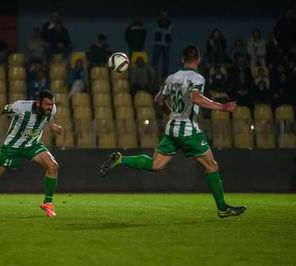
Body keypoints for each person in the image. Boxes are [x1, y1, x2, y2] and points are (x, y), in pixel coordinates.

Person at [100, 45, 246, 219]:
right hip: (188, 129)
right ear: (198, 60)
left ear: (182, 59)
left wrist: (171, 114)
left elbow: (158, 100)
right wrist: (222, 106)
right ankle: (222, 208)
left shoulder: (172, 78)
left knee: (156, 165)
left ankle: (122, 159)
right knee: (212, 166)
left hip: (171, 127)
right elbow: (196, 98)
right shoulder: (197, 78)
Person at [0, 90, 63, 217]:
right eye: (47, 104)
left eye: (52, 104)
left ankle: (47, 203)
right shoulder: (22, 107)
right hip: (12, 147)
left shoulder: (51, 109)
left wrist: (54, 126)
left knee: (53, 166)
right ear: (38, 103)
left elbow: (49, 116)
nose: (50, 107)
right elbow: (1, 110)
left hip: (32, 144)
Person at [152, 11, 172, 79]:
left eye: (165, 15)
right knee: (155, 60)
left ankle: (164, 77)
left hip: (166, 44)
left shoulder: (169, 23)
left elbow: (169, 31)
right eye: (163, 15)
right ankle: (154, 75)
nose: (164, 16)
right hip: (158, 43)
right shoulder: (157, 22)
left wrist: (161, 30)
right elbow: (156, 30)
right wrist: (164, 30)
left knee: (166, 62)